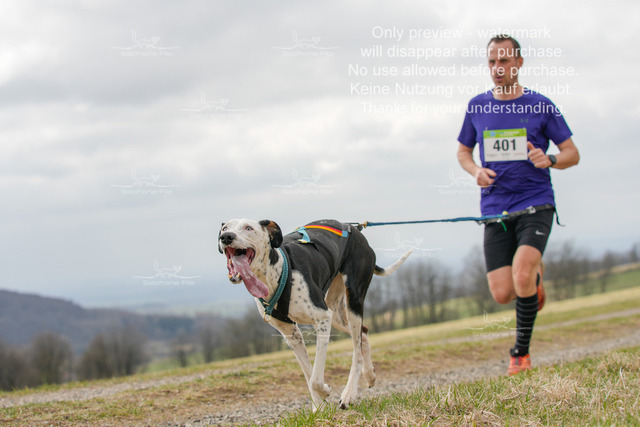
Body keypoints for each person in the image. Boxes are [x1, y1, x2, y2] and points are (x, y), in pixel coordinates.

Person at [456, 35, 580, 375]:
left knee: (522, 272)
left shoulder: (540, 105)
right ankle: (535, 280)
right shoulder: (477, 106)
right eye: (492, 62)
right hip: (495, 207)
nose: (497, 68)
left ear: (519, 63)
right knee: (502, 293)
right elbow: (463, 152)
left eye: (504, 61)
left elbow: (572, 154)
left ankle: (520, 353)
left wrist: (550, 159)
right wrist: (476, 171)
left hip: (536, 201)